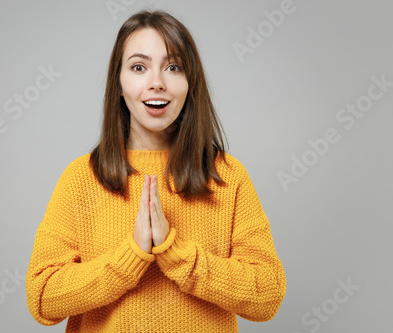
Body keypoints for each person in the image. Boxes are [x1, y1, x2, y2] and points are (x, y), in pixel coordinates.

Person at [26, 9, 286, 332]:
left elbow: (268, 294)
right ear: (118, 85)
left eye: (173, 67)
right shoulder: (81, 178)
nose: (157, 83)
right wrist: (131, 257)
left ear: (190, 83)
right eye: (138, 67)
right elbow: (41, 297)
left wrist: (178, 255)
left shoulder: (228, 176)